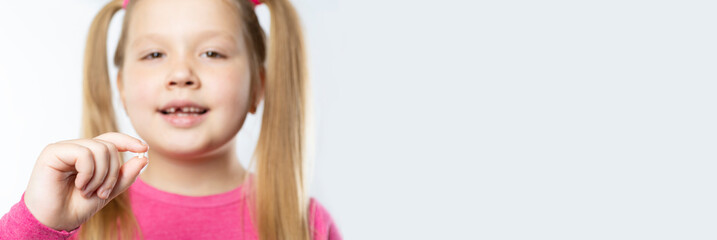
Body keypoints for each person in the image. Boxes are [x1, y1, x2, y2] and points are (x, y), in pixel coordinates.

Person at [0, 0, 341, 239]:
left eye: (212, 53)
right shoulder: (69, 219)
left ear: (258, 86)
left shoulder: (308, 225)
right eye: (154, 54)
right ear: (122, 88)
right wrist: (39, 225)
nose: (180, 74)